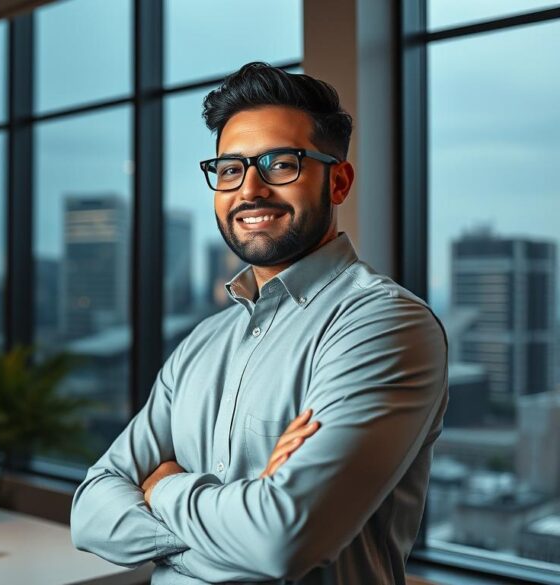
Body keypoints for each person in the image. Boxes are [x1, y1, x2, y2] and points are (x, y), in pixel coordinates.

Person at [70, 62, 448, 584]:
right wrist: (240, 513)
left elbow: (281, 541)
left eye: (280, 163)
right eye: (230, 168)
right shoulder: (202, 343)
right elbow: (90, 511)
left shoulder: (384, 326)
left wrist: (163, 488)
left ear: (337, 181)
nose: (250, 189)